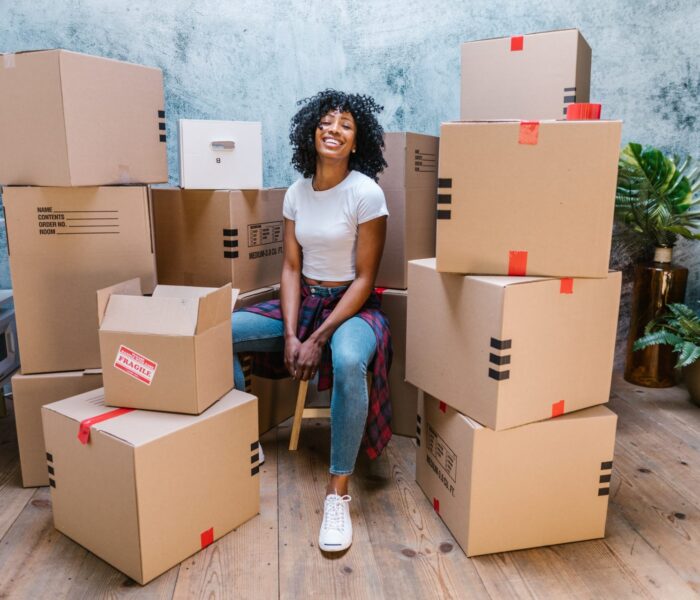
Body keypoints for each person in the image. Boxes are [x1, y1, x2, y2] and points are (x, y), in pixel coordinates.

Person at [231, 89, 392, 553]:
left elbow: (365, 279)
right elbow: (290, 268)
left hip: (352, 308)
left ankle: (337, 494)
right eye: (326, 121)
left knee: (345, 359)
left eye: (345, 125)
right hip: (305, 303)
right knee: (217, 333)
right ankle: (243, 441)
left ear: (357, 141)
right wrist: (291, 334)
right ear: (311, 131)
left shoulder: (366, 192)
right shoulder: (296, 193)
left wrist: (316, 337)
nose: (333, 130)